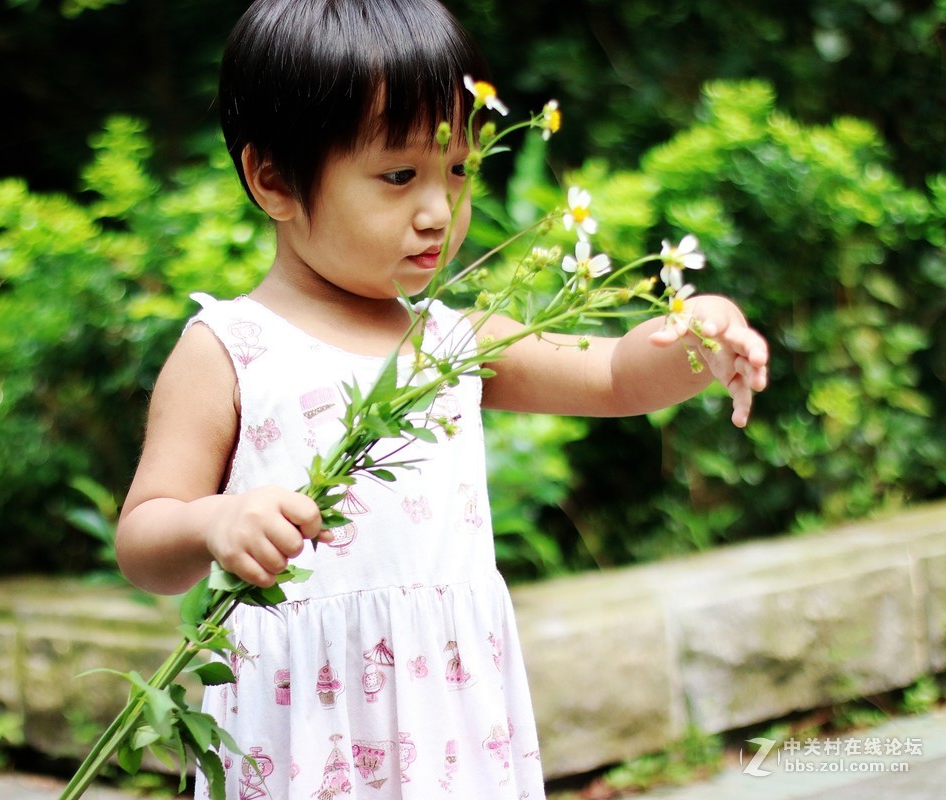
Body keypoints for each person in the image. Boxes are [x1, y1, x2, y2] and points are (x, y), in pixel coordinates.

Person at [114, 0, 770, 797]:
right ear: (275, 179)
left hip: (451, 724)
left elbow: (613, 376)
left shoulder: (457, 340)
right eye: (399, 176)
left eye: (456, 169)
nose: (439, 211)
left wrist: (697, 329)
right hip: (302, 728)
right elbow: (144, 539)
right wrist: (213, 520)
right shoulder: (229, 350)